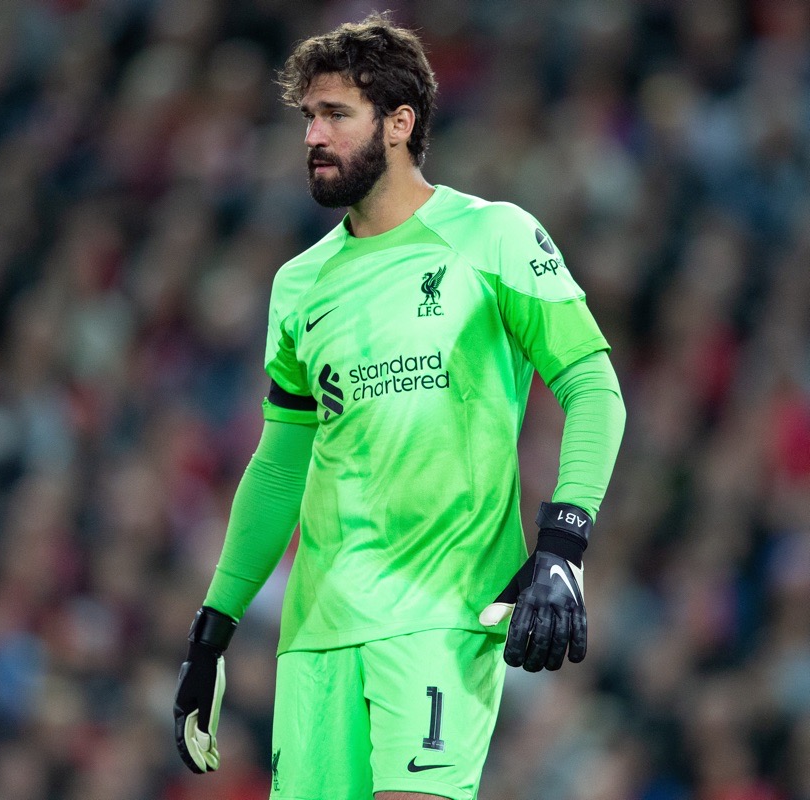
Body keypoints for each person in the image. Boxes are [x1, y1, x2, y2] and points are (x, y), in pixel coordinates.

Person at [173, 12, 627, 800]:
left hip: (441, 614)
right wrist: (214, 627)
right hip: (317, 635)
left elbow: (593, 388)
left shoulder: (493, 237)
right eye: (308, 116)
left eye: (335, 114)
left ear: (399, 123)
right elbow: (281, 465)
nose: (312, 135)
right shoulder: (299, 285)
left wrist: (564, 545)